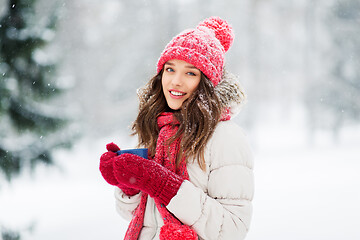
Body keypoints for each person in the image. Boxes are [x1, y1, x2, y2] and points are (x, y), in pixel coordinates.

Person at [99, 16, 254, 240]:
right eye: (170, 70)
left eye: (190, 73)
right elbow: (139, 218)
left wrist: (163, 184)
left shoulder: (226, 137)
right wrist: (128, 184)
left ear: (207, 83)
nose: (175, 81)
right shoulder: (156, 129)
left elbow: (231, 229)